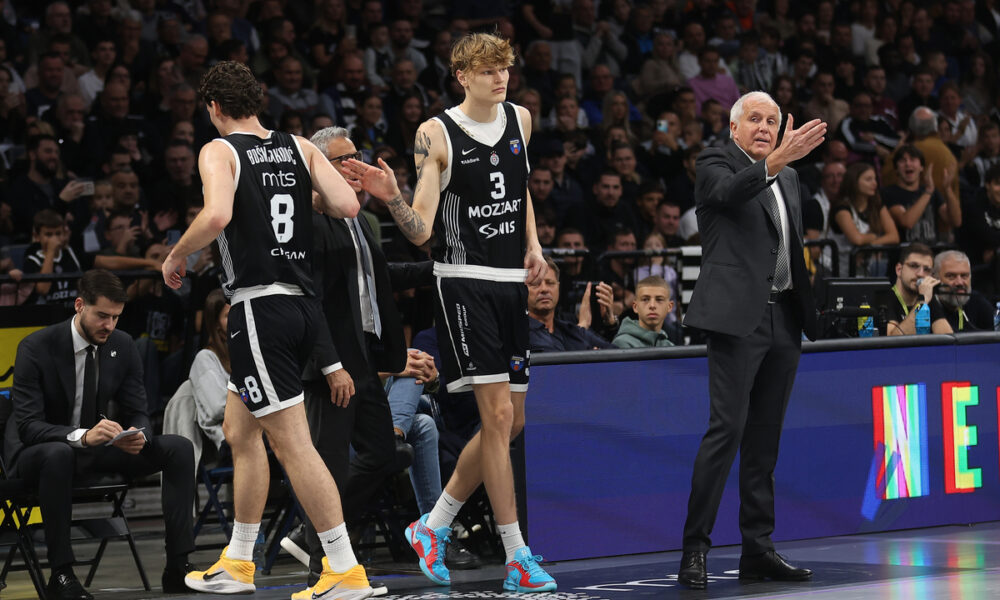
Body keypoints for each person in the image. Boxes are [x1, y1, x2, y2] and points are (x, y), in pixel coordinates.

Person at [342, 32, 557, 593]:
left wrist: (532, 244)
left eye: (504, 69)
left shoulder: (522, 121)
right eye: (487, 71)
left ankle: (432, 526)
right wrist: (392, 197)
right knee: (497, 421)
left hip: (511, 283)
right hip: (464, 284)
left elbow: (521, 189)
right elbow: (422, 233)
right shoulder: (435, 132)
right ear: (463, 76)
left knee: (513, 423)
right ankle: (517, 558)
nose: (500, 78)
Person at [160, 61, 374, 599]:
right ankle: (238, 560)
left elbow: (214, 216)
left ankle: (345, 568)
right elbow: (349, 205)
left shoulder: (220, 149)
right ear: (256, 100)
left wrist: (176, 254)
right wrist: (307, 199)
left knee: (294, 446)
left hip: (258, 310)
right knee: (240, 429)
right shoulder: (300, 147)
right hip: (302, 307)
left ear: (213, 108)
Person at [678, 91, 824, 590]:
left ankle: (757, 550)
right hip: (737, 319)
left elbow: (788, 244)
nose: (764, 127)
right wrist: (776, 159)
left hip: (783, 317)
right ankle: (695, 548)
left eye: (773, 120)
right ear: (735, 127)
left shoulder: (791, 176)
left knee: (765, 441)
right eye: (755, 119)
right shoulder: (714, 161)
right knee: (727, 432)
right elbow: (727, 195)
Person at [292, 125, 436, 588]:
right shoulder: (307, 221)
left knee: (386, 454)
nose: (356, 165)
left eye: (358, 155)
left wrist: (438, 269)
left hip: (366, 357)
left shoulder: (356, 217)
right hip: (331, 364)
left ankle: (311, 531)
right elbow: (308, 300)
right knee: (330, 463)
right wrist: (330, 365)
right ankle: (326, 563)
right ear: (317, 169)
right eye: (343, 159)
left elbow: (378, 275)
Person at [5, 269, 196, 600]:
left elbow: (139, 409)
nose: (109, 325)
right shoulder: (36, 347)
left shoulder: (122, 345)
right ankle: (61, 575)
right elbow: (29, 426)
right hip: (39, 454)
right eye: (102, 316)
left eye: (116, 317)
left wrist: (140, 434)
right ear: (79, 306)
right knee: (59, 453)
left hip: (96, 449)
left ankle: (179, 569)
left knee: (177, 447)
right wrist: (81, 436)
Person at [527, 256, 616, 352]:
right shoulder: (518, 332)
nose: (544, 289)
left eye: (550, 283)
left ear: (558, 288)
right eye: (535, 284)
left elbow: (617, 354)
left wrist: (611, 322)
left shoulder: (572, 330)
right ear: (523, 290)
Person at [828, 162, 900, 277]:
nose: (874, 184)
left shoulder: (876, 205)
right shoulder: (841, 208)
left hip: (864, 269)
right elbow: (857, 239)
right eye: (868, 179)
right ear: (854, 182)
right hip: (838, 269)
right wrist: (875, 237)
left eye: (875, 179)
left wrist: (868, 246)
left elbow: (894, 236)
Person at [883, 145, 960, 245]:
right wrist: (928, 192)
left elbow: (955, 221)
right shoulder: (889, 192)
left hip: (930, 254)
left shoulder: (933, 192)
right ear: (896, 168)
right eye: (902, 160)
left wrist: (948, 189)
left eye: (913, 159)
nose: (908, 164)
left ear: (921, 167)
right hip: (905, 254)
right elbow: (907, 222)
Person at [886, 243, 953, 336]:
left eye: (926, 270)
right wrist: (922, 301)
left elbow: (948, 338)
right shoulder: (885, 297)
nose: (920, 274)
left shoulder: (927, 297)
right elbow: (894, 341)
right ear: (899, 270)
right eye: (914, 266)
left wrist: (924, 299)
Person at [933, 250, 995, 332]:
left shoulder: (975, 299)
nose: (959, 282)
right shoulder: (926, 304)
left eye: (964, 276)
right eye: (951, 276)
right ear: (935, 278)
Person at [612, 275, 675, 348]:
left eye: (659, 299)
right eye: (645, 299)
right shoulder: (622, 343)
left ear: (669, 307)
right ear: (635, 307)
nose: (652, 305)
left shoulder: (669, 346)